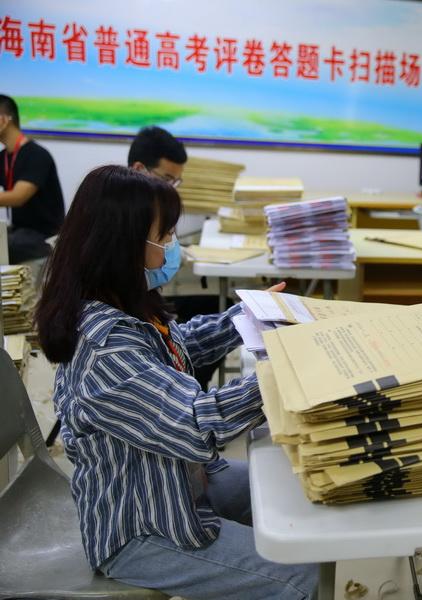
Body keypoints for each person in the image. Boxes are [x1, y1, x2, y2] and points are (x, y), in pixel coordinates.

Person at [35, 166, 317, 599]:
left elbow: (180, 345)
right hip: (144, 528)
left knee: (298, 488)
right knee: (302, 577)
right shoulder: (105, 350)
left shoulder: (122, 305)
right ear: (123, 243)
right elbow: (197, 425)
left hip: (183, 484)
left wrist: (247, 317)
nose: (171, 246)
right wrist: (284, 370)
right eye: (164, 235)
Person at [127, 125, 227, 391]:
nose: (172, 188)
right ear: (139, 169)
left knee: (220, 310)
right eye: (167, 179)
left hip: (147, 310)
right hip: (139, 316)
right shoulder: (126, 217)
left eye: (176, 182)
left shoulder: (150, 206)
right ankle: (190, 383)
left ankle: (190, 381)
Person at [0, 94, 65, 263]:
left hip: (44, 235)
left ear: (4, 120)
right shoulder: (3, 156)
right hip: (19, 231)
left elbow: (18, 197)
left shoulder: (36, 155)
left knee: (7, 244)